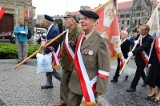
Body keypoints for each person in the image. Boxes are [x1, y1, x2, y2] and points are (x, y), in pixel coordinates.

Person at [66, 10, 110, 106]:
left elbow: (104, 67)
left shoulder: (101, 40)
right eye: (81, 18)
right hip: (75, 82)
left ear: (94, 22)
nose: (82, 21)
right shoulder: (81, 37)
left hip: (89, 85)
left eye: (85, 19)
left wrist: (101, 87)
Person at [50, 14, 82, 106]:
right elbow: (56, 41)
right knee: (64, 83)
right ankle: (63, 101)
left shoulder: (78, 33)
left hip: (74, 65)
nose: (64, 21)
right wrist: (46, 44)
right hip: (66, 63)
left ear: (72, 21)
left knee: (73, 86)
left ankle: (73, 103)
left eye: (66, 20)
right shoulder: (66, 32)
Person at [126, 25, 153, 92]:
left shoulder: (150, 38)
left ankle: (133, 87)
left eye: (142, 30)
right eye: (140, 29)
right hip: (137, 57)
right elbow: (136, 45)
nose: (140, 31)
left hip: (143, 58)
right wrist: (136, 42)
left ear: (146, 31)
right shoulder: (139, 36)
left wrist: (133, 52)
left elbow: (142, 47)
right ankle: (146, 80)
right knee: (140, 71)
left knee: (138, 72)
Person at [40, 14, 61, 89]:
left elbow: (55, 43)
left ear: (48, 22)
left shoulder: (54, 30)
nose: (43, 23)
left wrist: (46, 50)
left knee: (50, 68)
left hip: (53, 52)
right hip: (50, 52)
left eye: (44, 21)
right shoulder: (50, 29)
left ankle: (63, 81)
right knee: (47, 67)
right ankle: (49, 83)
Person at [145, 38, 160, 104]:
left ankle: (159, 95)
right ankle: (151, 92)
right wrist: (150, 62)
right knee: (151, 77)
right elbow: (153, 51)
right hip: (155, 62)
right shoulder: (157, 39)